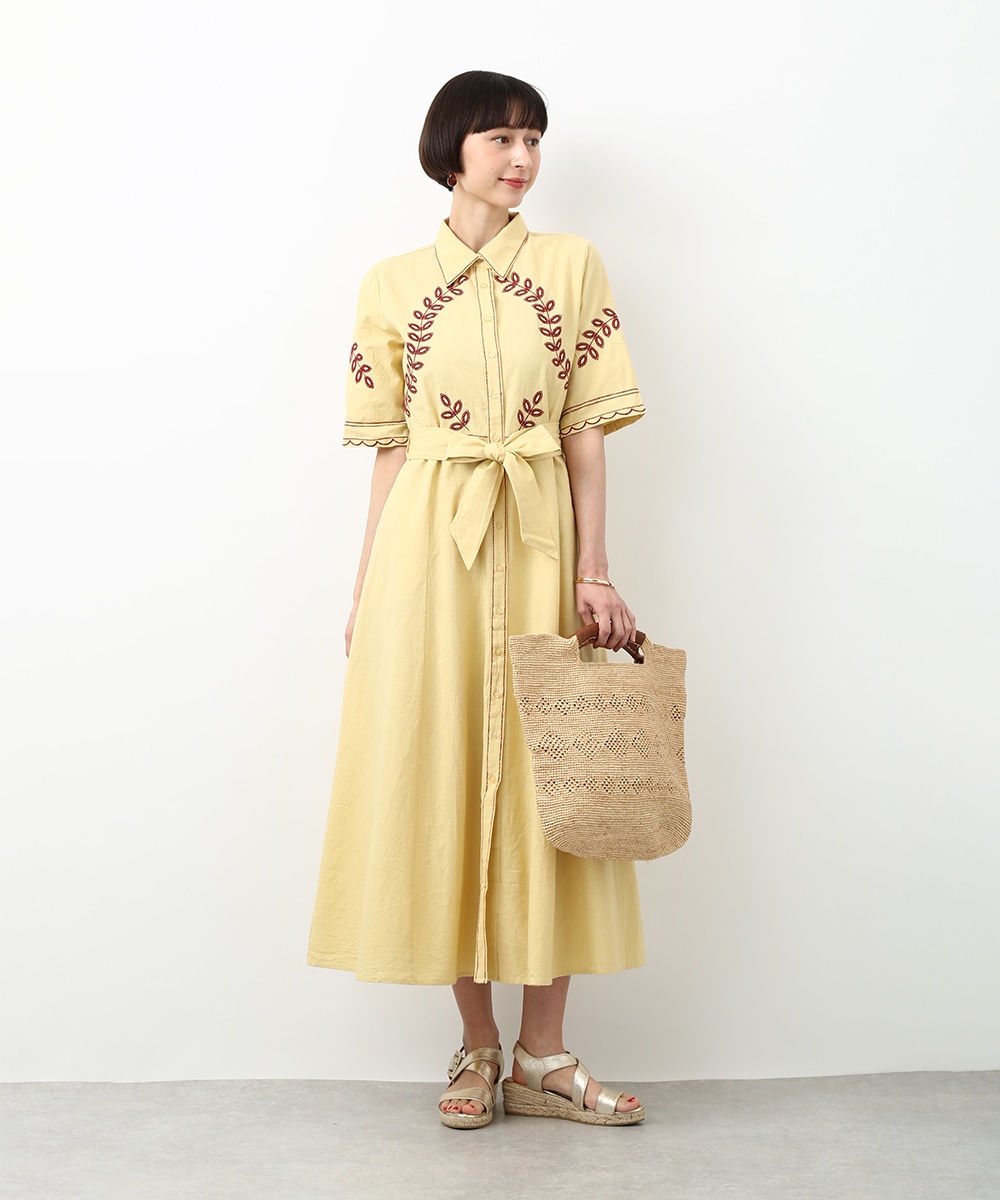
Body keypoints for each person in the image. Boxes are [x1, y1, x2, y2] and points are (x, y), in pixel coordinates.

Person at [308, 70, 648, 1129]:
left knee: (555, 782)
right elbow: (391, 449)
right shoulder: (390, 284)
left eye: (533, 138)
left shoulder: (571, 265)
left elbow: (585, 429)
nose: (522, 158)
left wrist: (595, 569)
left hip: (541, 544)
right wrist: (367, 589)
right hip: (430, 556)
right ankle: (477, 1047)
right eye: (501, 137)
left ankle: (543, 1056)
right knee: (443, 775)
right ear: (451, 147)